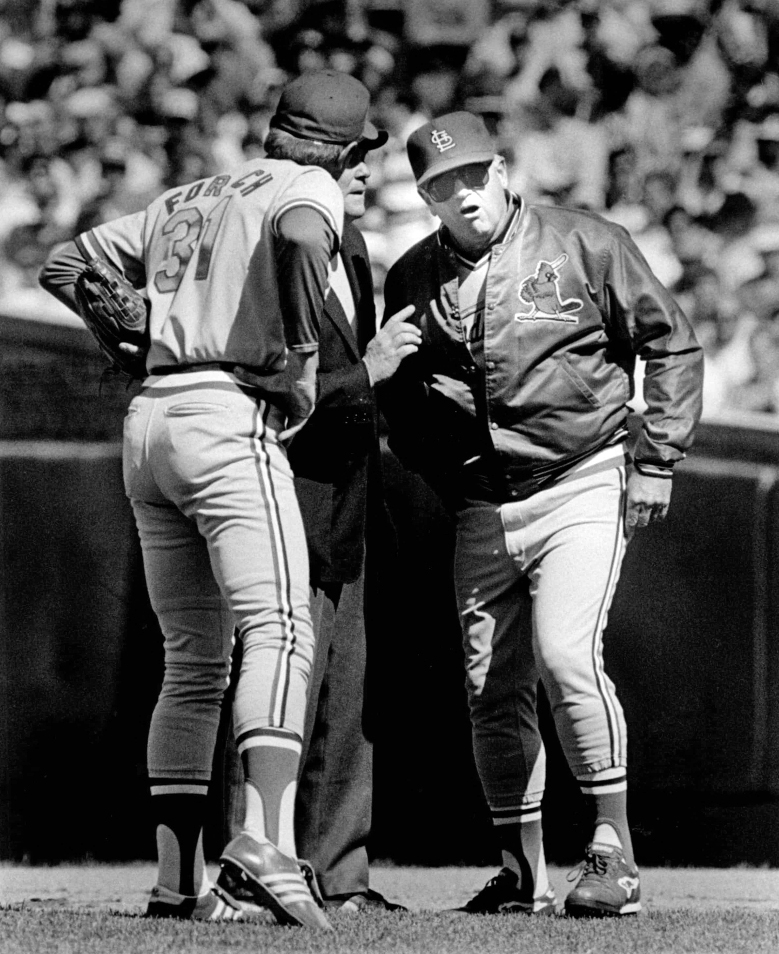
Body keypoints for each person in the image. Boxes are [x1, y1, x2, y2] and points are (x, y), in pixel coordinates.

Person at [37, 69, 398, 930]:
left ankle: (176, 884)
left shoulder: (189, 194)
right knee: (281, 630)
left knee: (193, 662)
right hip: (226, 414)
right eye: (358, 150)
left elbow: (67, 263)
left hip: (151, 418)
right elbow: (305, 234)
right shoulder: (305, 186)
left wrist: (135, 336)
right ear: (337, 148)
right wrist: (302, 359)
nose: (360, 165)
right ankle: (266, 844)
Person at [378, 111, 704, 918]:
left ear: (500, 172)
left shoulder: (584, 240)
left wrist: (656, 458)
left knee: (564, 655)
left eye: (473, 174)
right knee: (490, 687)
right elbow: (402, 401)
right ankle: (521, 873)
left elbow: (668, 343)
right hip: (482, 499)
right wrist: (441, 469)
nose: (464, 193)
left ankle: (614, 854)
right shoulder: (411, 274)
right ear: (424, 197)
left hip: (578, 474)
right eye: (443, 184)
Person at [222, 70, 420, 914]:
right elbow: (265, 386)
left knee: (347, 695)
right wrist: (366, 373)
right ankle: (247, 865)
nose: (366, 170)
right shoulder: (268, 241)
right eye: (352, 155)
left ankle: (340, 876)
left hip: (345, 493)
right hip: (276, 489)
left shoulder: (351, 245)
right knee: (278, 685)